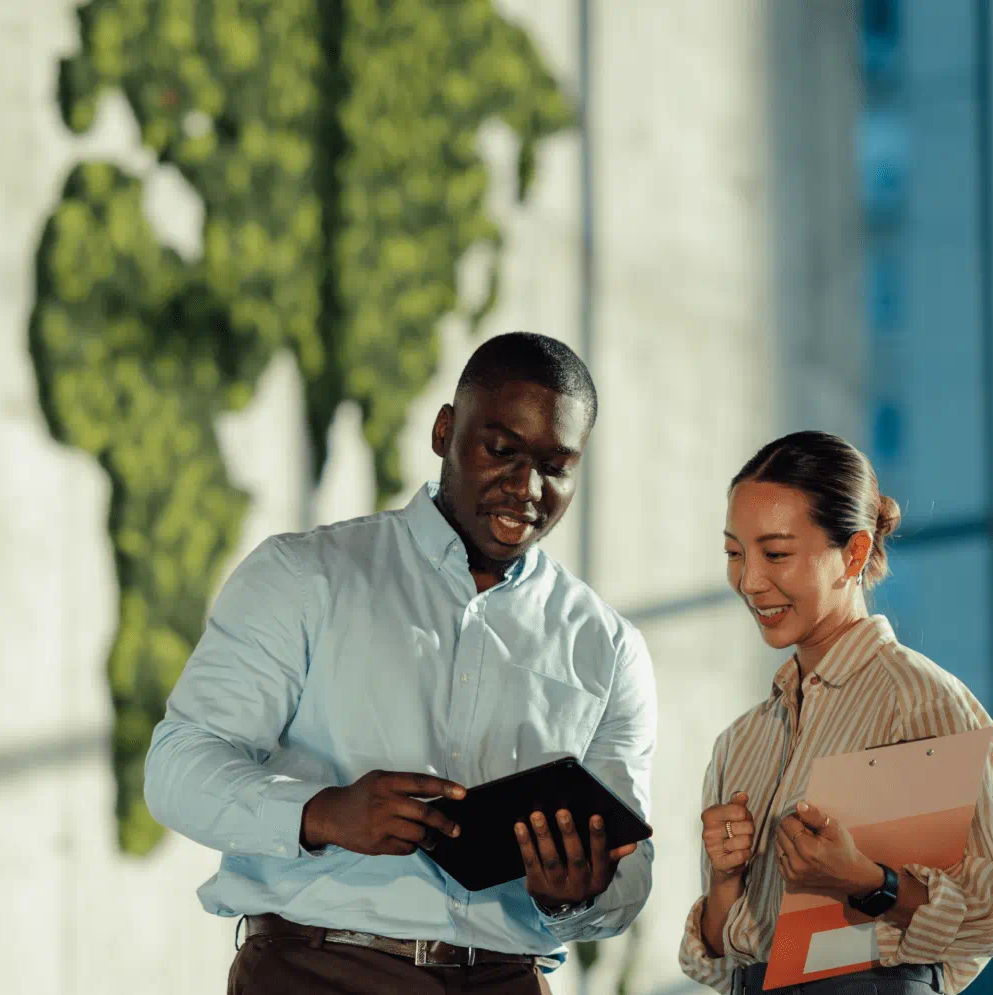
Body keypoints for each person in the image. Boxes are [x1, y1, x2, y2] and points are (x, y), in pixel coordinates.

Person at [145, 332, 656, 994]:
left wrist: (578, 894)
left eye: (556, 466)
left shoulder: (608, 645)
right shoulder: (305, 573)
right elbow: (177, 765)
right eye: (501, 450)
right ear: (446, 430)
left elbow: (632, 868)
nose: (526, 488)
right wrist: (323, 811)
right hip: (317, 972)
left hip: (509, 981)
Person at [677, 431, 993, 994]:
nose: (750, 581)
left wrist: (865, 880)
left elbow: (990, 916)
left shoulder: (920, 702)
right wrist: (725, 880)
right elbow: (721, 963)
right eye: (734, 554)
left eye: (777, 553)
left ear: (855, 554)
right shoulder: (740, 743)